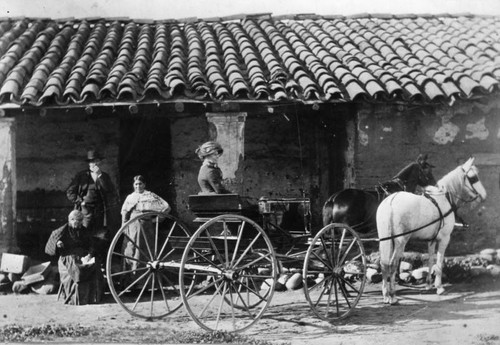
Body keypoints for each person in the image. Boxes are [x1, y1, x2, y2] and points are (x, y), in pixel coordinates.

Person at [66, 148, 120, 256]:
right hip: (85, 211)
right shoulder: (81, 176)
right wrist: (80, 201)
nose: (93, 164)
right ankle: (85, 259)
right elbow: (70, 192)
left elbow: (110, 190)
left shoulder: (104, 176)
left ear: (99, 162)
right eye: (91, 161)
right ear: (88, 163)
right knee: (84, 234)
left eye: (96, 161)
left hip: (100, 211)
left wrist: (99, 176)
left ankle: (97, 261)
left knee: (99, 236)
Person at [45, 210, 103, 305]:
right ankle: (76, 297)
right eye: (78, 221)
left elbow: (92, 244)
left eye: (81, 221)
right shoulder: (62, 231)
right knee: (77, 268)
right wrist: (57, 243)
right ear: (71, 220)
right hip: (68, 256)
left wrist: (90, 254)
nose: (80, 224)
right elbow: (51, 244)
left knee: (95, 265)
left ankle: (93, 297)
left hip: (83, 255)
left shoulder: (83, 230)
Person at [120, 175, 171, 276]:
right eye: (136, 184)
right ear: (133, 185)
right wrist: (124, 226)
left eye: (140, 184)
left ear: (144, 184)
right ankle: (130, 279)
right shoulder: (130, 197)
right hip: (132, 226)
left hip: (146, 227)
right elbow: (124, 212)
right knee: (130, 249)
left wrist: (156, 220)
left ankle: (144, 282)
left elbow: (166, 207)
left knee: (144, 251)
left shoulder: (150, 196)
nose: (138, 186)